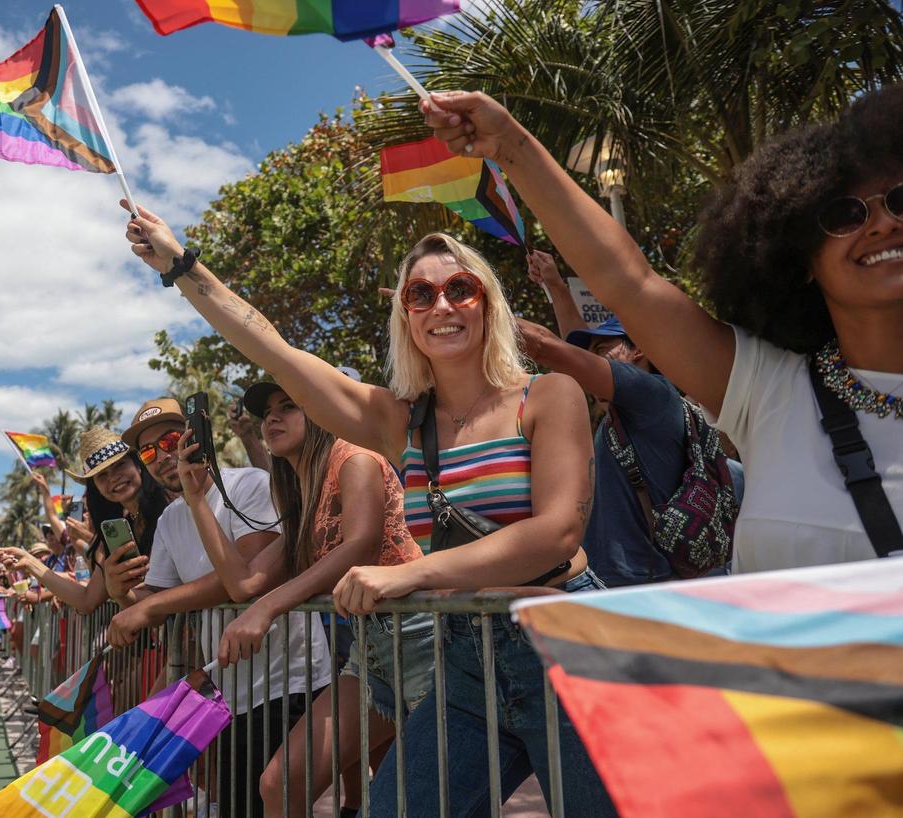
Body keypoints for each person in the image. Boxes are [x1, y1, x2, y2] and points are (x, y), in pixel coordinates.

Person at [122, 209, 613, 815]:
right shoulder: (397, 420)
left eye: (461, 289)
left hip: (562, 646)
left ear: (488, 304)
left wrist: (410, 574)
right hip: (465, 656)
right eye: (421, 294)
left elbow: (557, 531)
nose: (443, 306)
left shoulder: (548, 394)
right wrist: (181, 265)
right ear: (406, 316)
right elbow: (272, 349)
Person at [419, 85, 903, 569]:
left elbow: (557, 343)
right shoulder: (770, 388)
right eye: (846, 214)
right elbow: (628, 280)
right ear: (801, 259)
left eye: (899, 201)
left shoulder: (652, 398)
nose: (882, 224)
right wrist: (509, 146)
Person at [188, 382, 431, 818]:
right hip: (372, 657)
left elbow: (359, 544)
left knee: (416, 800)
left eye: (288, 406)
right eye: (267, 414)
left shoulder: (354, 457)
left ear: (319, 413)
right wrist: (195, 500)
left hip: (427, 646)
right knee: (280, 783)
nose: (272, 419)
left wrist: (268, 607)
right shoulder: (300, 496)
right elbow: (244, 585)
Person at [105, 397, 333, 818]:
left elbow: (247, 578)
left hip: (286, 682)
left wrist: (149, 608)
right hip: (227, 692)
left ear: (198, 434)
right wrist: (119, 591)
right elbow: (155, 601)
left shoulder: (248, 484)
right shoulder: (170, 519)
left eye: (171, 440)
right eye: (149, 451)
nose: (162, 457)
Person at [515, 272, 690, 586]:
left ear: (638, 350)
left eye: (601, 350)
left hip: (641, 585)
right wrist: (555, 285)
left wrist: (473, 311)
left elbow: (550, 349)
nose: (590, 362)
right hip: (618, 579)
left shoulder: (654, 395)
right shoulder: (615, 416)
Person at [0, 427, 166, 614]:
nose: (114, 477)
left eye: (119, 465)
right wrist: (30, 563)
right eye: (102, 475)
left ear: (138, 464)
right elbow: (87, 599)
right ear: (96, 489)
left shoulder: (171, 508)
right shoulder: (116, 533)